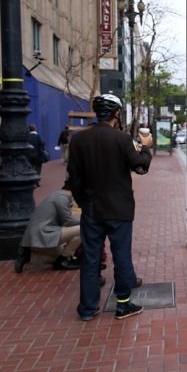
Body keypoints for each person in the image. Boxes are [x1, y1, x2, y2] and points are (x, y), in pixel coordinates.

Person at [67, 94, 153, 321]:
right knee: (121, 255)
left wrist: (84, 202)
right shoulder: (121, 139)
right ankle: (123, 304)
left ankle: (87, 308)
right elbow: (140, 166)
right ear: (116, 113)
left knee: (90, 258)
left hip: (92, 209)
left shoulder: (78, 140)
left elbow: (73, 178)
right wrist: (145, 148)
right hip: (119, 209)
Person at [15, 185, 82, 273]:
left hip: (38, 235)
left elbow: (65, 222)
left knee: (58, 256)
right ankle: (64, 260)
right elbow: (68, 222)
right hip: (43, 233)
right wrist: (85, 221)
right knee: (83, 229)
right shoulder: (62, 198)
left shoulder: (58, 195)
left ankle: (29, 256)